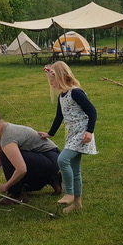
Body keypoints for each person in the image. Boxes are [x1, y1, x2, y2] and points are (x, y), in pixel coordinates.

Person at [0, 103, 62, 205]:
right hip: (45, 158)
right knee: (7, 159)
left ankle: (17, 195)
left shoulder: (8, 137)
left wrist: (7, 185)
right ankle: (52, 178)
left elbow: (21, 169)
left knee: (6, 156)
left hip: (51, 157)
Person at [38, 61, 97, 214]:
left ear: (62, 77)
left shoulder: (76, 93)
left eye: (53, 80)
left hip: (82, 134)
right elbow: (59, 117)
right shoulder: (62, 97)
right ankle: (77, 203)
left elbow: (92, 111)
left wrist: (89, 131)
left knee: (62, 159)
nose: (51, 84)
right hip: (72, 135)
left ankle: (69, 193)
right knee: (75, 170)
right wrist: (50, 133)